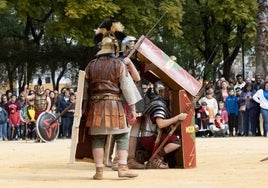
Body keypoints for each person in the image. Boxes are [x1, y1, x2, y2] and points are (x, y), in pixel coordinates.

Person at [84, 20, 142, 180]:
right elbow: (128, 88)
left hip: (95, 108)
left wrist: (83, 110)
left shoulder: (90, 66)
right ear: (114, 49)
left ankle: (99, 171)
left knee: (97, 138)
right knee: (122, 135)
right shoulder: (119, 65)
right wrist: (133, 109)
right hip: (114, 107)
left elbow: (84, 91)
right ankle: (122, 167)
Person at [140, 81, 188, 169]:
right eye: (167, 92)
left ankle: (159, 158)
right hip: (150, 138)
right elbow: (161, 124)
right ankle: (156, 157)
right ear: (161, 92)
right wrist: (178, 117)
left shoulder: (154, 102)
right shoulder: (159, 105)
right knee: (177, 140)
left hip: (149, 136)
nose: (169, 95)